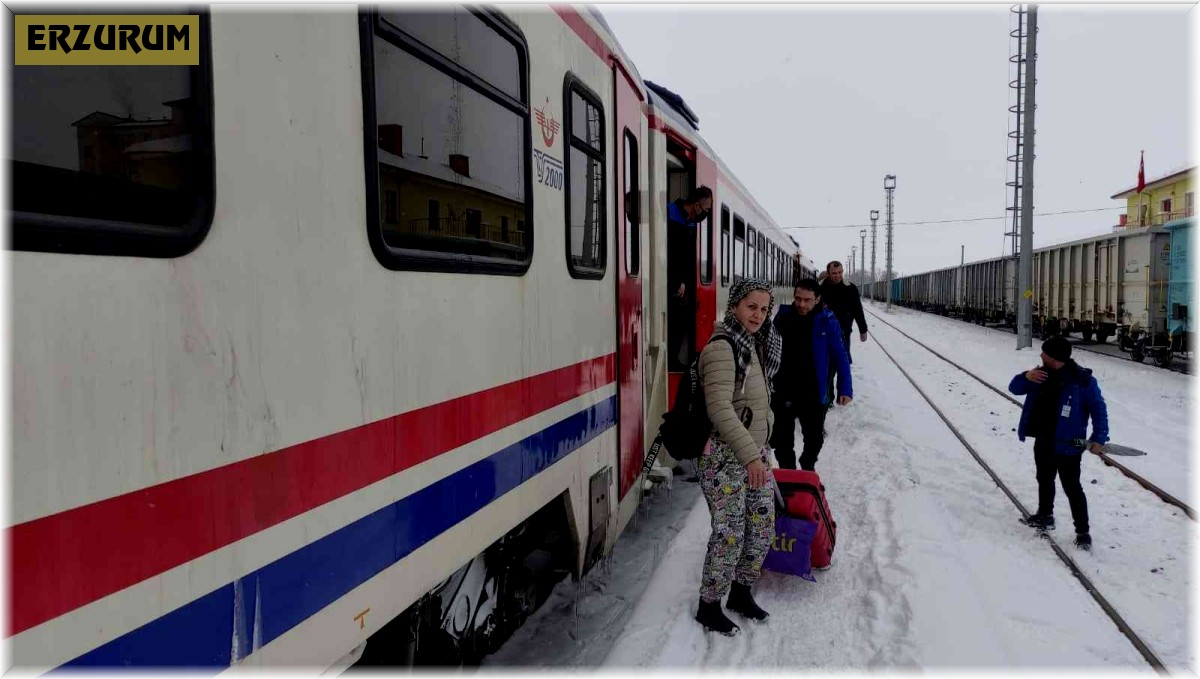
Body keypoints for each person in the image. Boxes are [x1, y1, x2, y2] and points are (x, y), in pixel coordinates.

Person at [694, 278, 782, 636]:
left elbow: (756, 401)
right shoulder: (722, 347)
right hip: (725, 459)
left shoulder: (753, 344)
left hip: (753, 455)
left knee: (761, 527)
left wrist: (764, 438)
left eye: (764, 309)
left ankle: (741, 593)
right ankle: (709, 605)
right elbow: (719, 408)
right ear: (733, 307)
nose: (758, 315)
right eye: (751, 307)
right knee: (730, 533)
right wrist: (750, 456)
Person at [1008, 336, 1109, 550]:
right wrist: (1026, 376)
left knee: (1072, 488)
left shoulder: (1082, 381)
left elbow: (1099, 410)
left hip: (1068, 445)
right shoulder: (1039, 374)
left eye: (1044, 353)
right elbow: (1014, 388)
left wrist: (1099, 438)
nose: (1040, 356)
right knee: (1044, 479)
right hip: (1044, 440)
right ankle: (1045, 515)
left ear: (1054, 358)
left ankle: (1083, 533)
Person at [769, 279, 853, 472]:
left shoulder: (827, 320)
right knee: (782, 440)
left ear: (817, 299)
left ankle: (808, 466)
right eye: (798, 299)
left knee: (815, 439)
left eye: (807, 300)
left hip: (813, 391)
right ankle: (788, 472)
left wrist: (845, 388)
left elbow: (840, 355)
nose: (801, 304)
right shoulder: (783, 317)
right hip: (784, 389)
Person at [667, 186, 713, 369]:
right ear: (696, 205)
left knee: (681, 320)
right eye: (706, 209)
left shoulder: (691, 223)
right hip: (668, 279)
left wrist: (684, 281)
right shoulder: (668, 212)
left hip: (680, 284)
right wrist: (675, 279)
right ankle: (670, 361)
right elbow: (666, 253)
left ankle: (673, 359)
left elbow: (686, 257)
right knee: (674, 320)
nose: (706, 213)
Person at [817, 261, 868, 364]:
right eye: (834, 273)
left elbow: (858, 309)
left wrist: (863, 330)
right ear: (828, 273)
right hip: (823, 332)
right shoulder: (819, 288)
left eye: (840, 272)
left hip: (844, 331)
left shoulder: (850, 288)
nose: (838, 275)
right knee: (825, 364)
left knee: (843, 363)